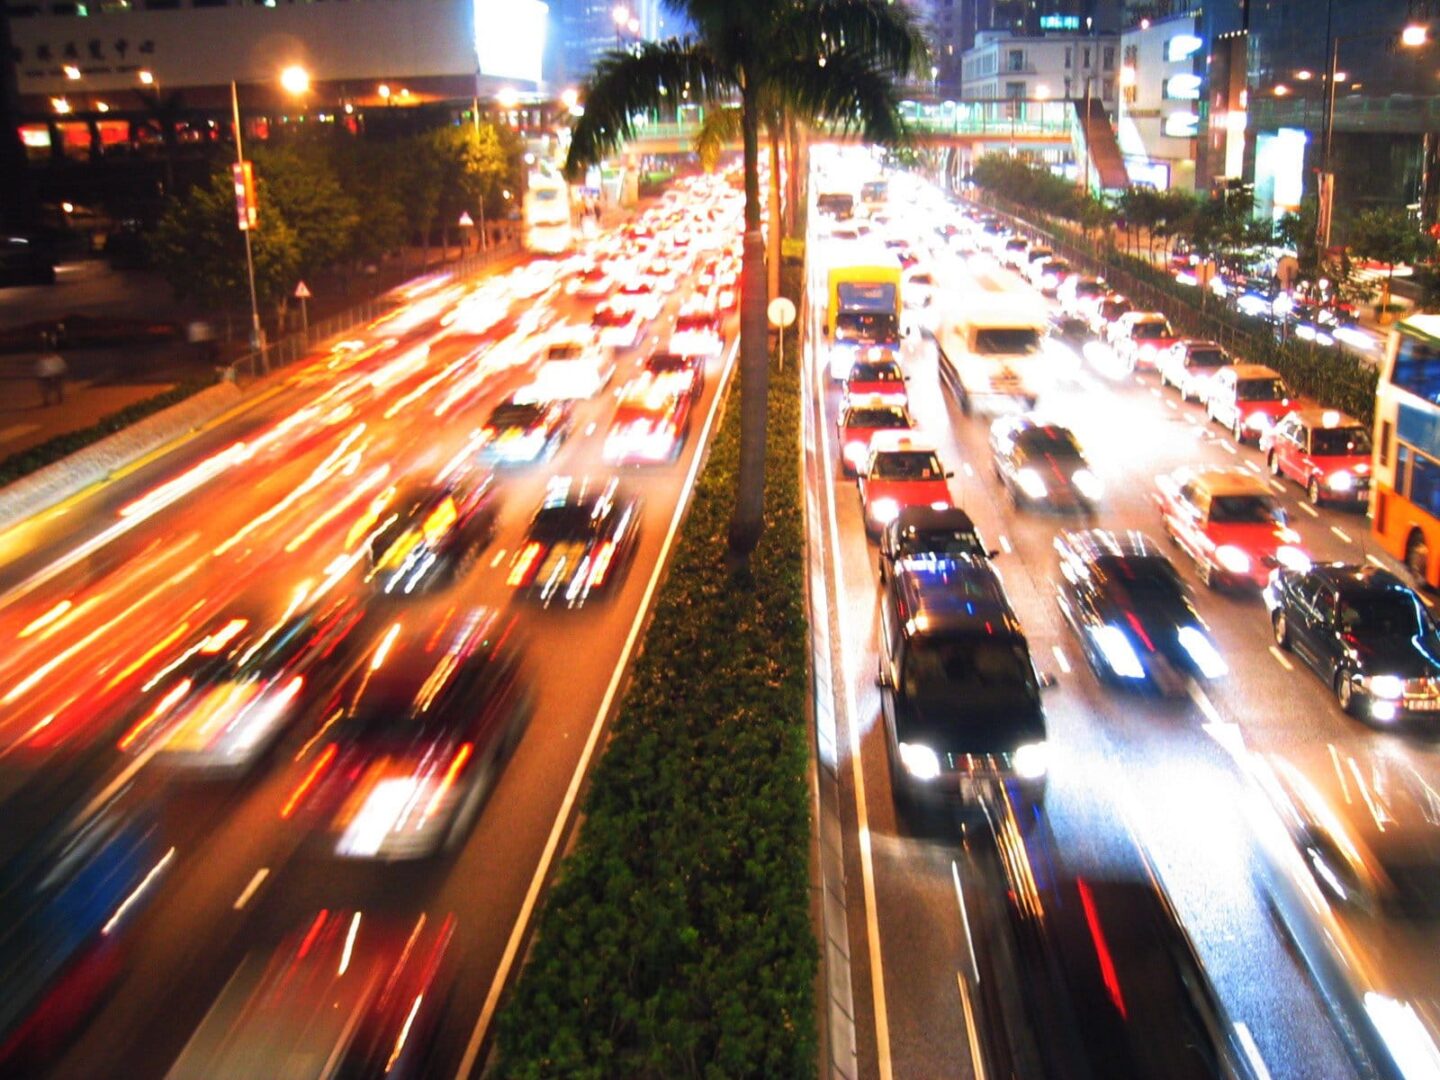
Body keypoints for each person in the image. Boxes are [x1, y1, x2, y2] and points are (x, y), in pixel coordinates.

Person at [35, 340, 67, 406]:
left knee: (54, 387)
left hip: (53, 375)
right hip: (48, 376)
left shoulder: (55, 359)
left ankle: (53, 399)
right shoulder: (44, 360)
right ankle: (48, 400)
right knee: (48, 388)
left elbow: (62, 367)